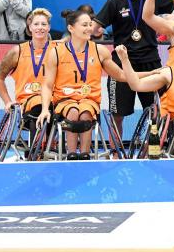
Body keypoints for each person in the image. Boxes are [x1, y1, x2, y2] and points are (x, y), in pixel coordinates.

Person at [93, 0, 174, 137]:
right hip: (123, 62)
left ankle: (155, 148)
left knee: (156, 112)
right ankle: (116, 153)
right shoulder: (115, 1)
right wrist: (68, 39)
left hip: (151, 61)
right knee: (117, 115)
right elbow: (93, 28)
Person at [37, 9, 127, 160]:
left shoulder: (99, 51)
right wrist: (45, 109)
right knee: (73, 111)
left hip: (89, 100)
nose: (89, 28)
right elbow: (47, 85)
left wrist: (150, 75)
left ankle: (85, 155)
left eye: (90, 24)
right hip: (65, 100)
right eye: (84, 25)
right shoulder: (56, 52)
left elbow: (121, 75)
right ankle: (71, 154)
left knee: (85, 112)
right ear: (71, 28)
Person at [0, 8, 54, 146]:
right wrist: (8, 101)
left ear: (49, 27)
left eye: (44, 24)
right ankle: (36, 151)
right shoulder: (18, 51)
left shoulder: (59, 49)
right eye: (36, 24)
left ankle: (58, 151)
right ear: (30, 27)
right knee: (38, 106)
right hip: (28, 101)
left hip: (54, 99)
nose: (40, 27)